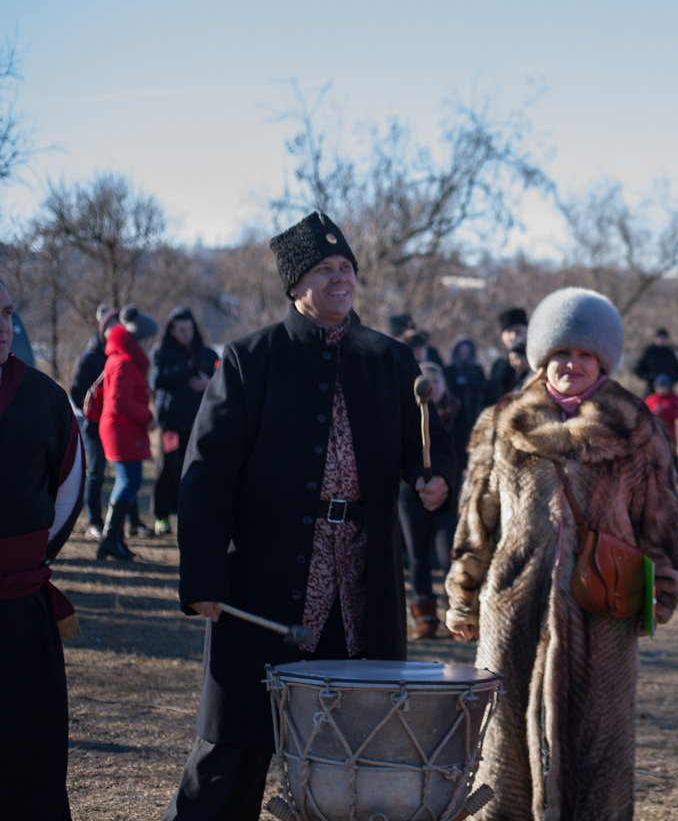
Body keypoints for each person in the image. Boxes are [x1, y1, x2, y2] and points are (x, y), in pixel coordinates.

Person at [166, 212, 456, 821]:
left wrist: (432, 480)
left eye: (346, 267)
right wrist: (204, 576)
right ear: (295, 285)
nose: (340, 278)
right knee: (234, 751)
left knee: (358, 756)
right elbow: (207, 475)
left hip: (362, 585)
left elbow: (425, 447)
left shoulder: (391, 360)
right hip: (266, 585)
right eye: (324, 269)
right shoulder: (250, 360)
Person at [445, 287, 678, 821]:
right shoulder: (504, 422)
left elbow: (659, 523)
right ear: (541, 357)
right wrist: (464, 593)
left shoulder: (636, 429)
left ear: (603, 360)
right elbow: (477, 519)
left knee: (597, 753)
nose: (571, 364)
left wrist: (661, 591)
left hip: (602, 615)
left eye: (584, 354)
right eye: (560, 352)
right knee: (503, 748)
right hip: (514, 611)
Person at [0, 275, 86, 821]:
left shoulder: (46, 398)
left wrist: (23, 560)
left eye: (6, 313)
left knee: (28, 748)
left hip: (21, 607)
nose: (1, 327)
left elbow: (68, 488)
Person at [402, 362, 471, 639]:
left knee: (447, 554)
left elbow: (463, 449)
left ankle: (455, 612)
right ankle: (425, 616)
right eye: (425, 380)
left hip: (447, 490)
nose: (431, 385)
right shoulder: (406, 409)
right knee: (418, 556)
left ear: (443, 384)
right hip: (409, 493)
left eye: (436, 380)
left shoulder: (458, 410)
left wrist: (445, 475)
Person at [97, 305, 158, 561]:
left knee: (129, 482)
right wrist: (148, 417)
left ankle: (116, 539)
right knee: (129, 482)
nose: (153, 344)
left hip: (123, 429)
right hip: (121, 429)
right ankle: (110, 539)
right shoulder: (124, 362)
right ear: (140, 339)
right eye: (150, 339)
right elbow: (119, 402)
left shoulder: (124, 359)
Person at [151, 307, 219, 536]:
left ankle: (193, 514)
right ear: (172, 330)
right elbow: (158, 380)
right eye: (181, 330)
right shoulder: (162, 353)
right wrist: (185, 368)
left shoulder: (207, 354)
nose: (186, 334)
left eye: (189, 329)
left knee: (197, 470)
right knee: (168, 468)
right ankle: (162, 516)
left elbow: (224, 380)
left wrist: (208, 384)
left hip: (200, 423)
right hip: (171, 423)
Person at [68, 304, 117, 539]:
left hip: (117, 425)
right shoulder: (88, 358)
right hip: (94, 426)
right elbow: (76, 391)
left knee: (125, 474)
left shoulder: (120, 355)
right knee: (96, 473)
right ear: (103, 329)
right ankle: (94, 522)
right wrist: (93, 412)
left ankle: (130, 522)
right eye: (112, 326)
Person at [482, 307, 529, 407]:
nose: (513, 336)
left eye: (518, 331)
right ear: (502, 337)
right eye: (509, 331)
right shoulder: (498, 365)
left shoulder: (535, 360)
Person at [645, 372, 678, 480]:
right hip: (654, 433)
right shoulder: (650, 399)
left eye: (664, 387)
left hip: (669, 432)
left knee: (671, 455)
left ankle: (676, 476)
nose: (662, 389)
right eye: (660, 387)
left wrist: (665, 411)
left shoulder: (674, 399)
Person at [445, 337, 488, 419]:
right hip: (455, 411)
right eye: (462, 351)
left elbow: (483, 388)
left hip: (474, 410)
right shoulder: (450, 370)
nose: (464, 354)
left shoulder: (477, 370)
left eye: (467, 351)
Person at [633, 327, 678, 393]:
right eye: (660, 337)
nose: (662, 340)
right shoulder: (649, 351)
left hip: (668, 390)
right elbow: (638, 369)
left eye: (664, 338)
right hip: (651, 389)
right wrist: (649, 377)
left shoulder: (670, 352)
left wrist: (672, 379)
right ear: (656, 338)